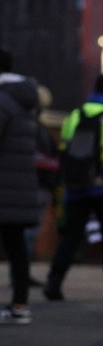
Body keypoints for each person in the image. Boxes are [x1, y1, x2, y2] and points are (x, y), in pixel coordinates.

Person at [43, 74, 103, 302]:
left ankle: (54, 282)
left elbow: (64, 150)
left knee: (71, 237)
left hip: (77, 187)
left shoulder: (75, 116)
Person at [0, 48, 41, 324]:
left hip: (3, 186)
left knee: (14, 248)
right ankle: (20, 305)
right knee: (17, 249)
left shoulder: (2, 101)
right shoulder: (23, 101)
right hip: (19, 186)